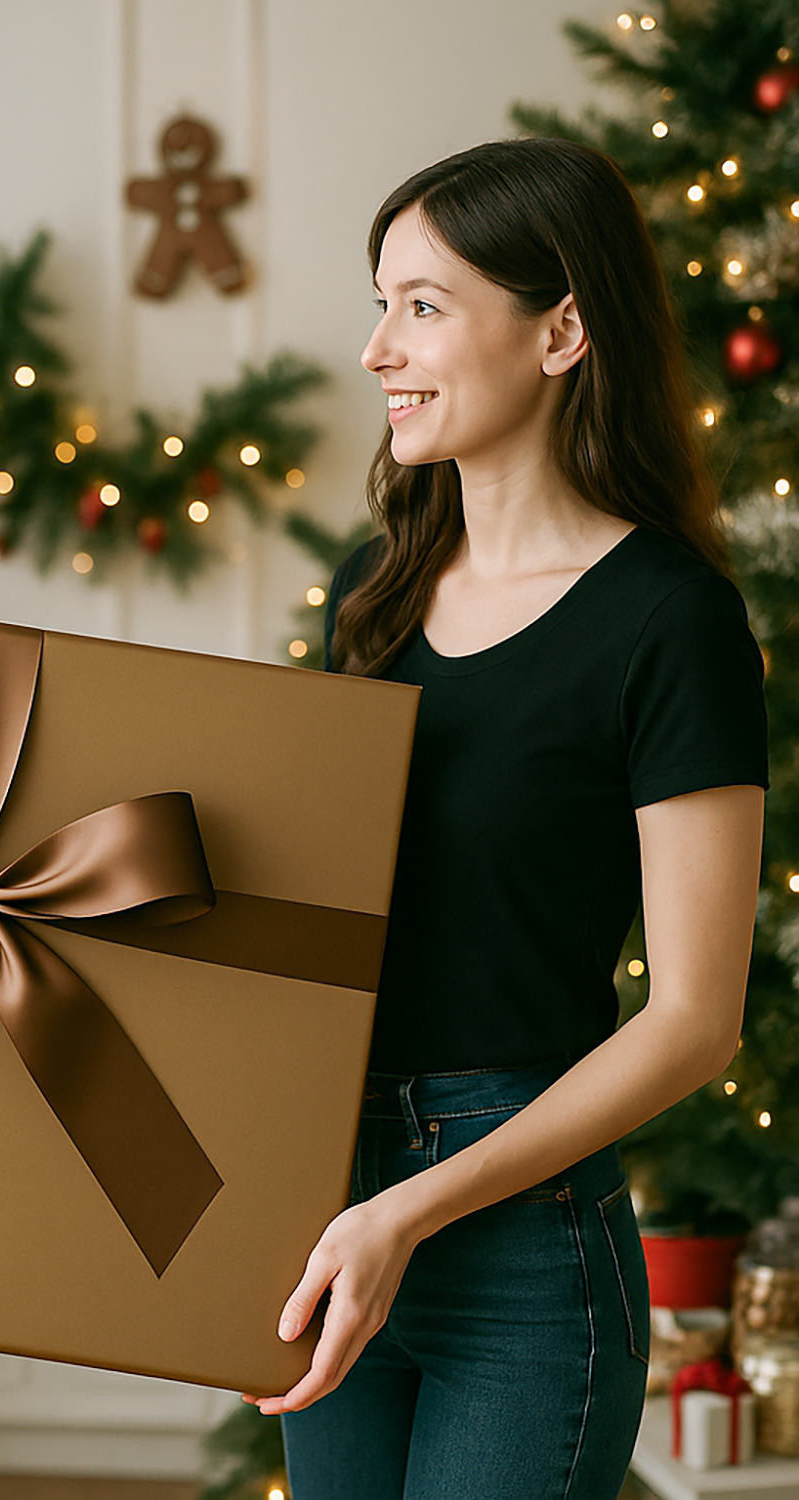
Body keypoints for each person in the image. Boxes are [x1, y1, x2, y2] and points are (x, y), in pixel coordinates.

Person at [252, 138, 768, 1499]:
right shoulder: (370, 589)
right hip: (327, 1205)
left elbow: (694, 1023)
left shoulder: (673, 622)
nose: (377, 350)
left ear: (563, 330)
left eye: (423, 305)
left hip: (521, 1246)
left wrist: (408, 1211)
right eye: (380, 302)